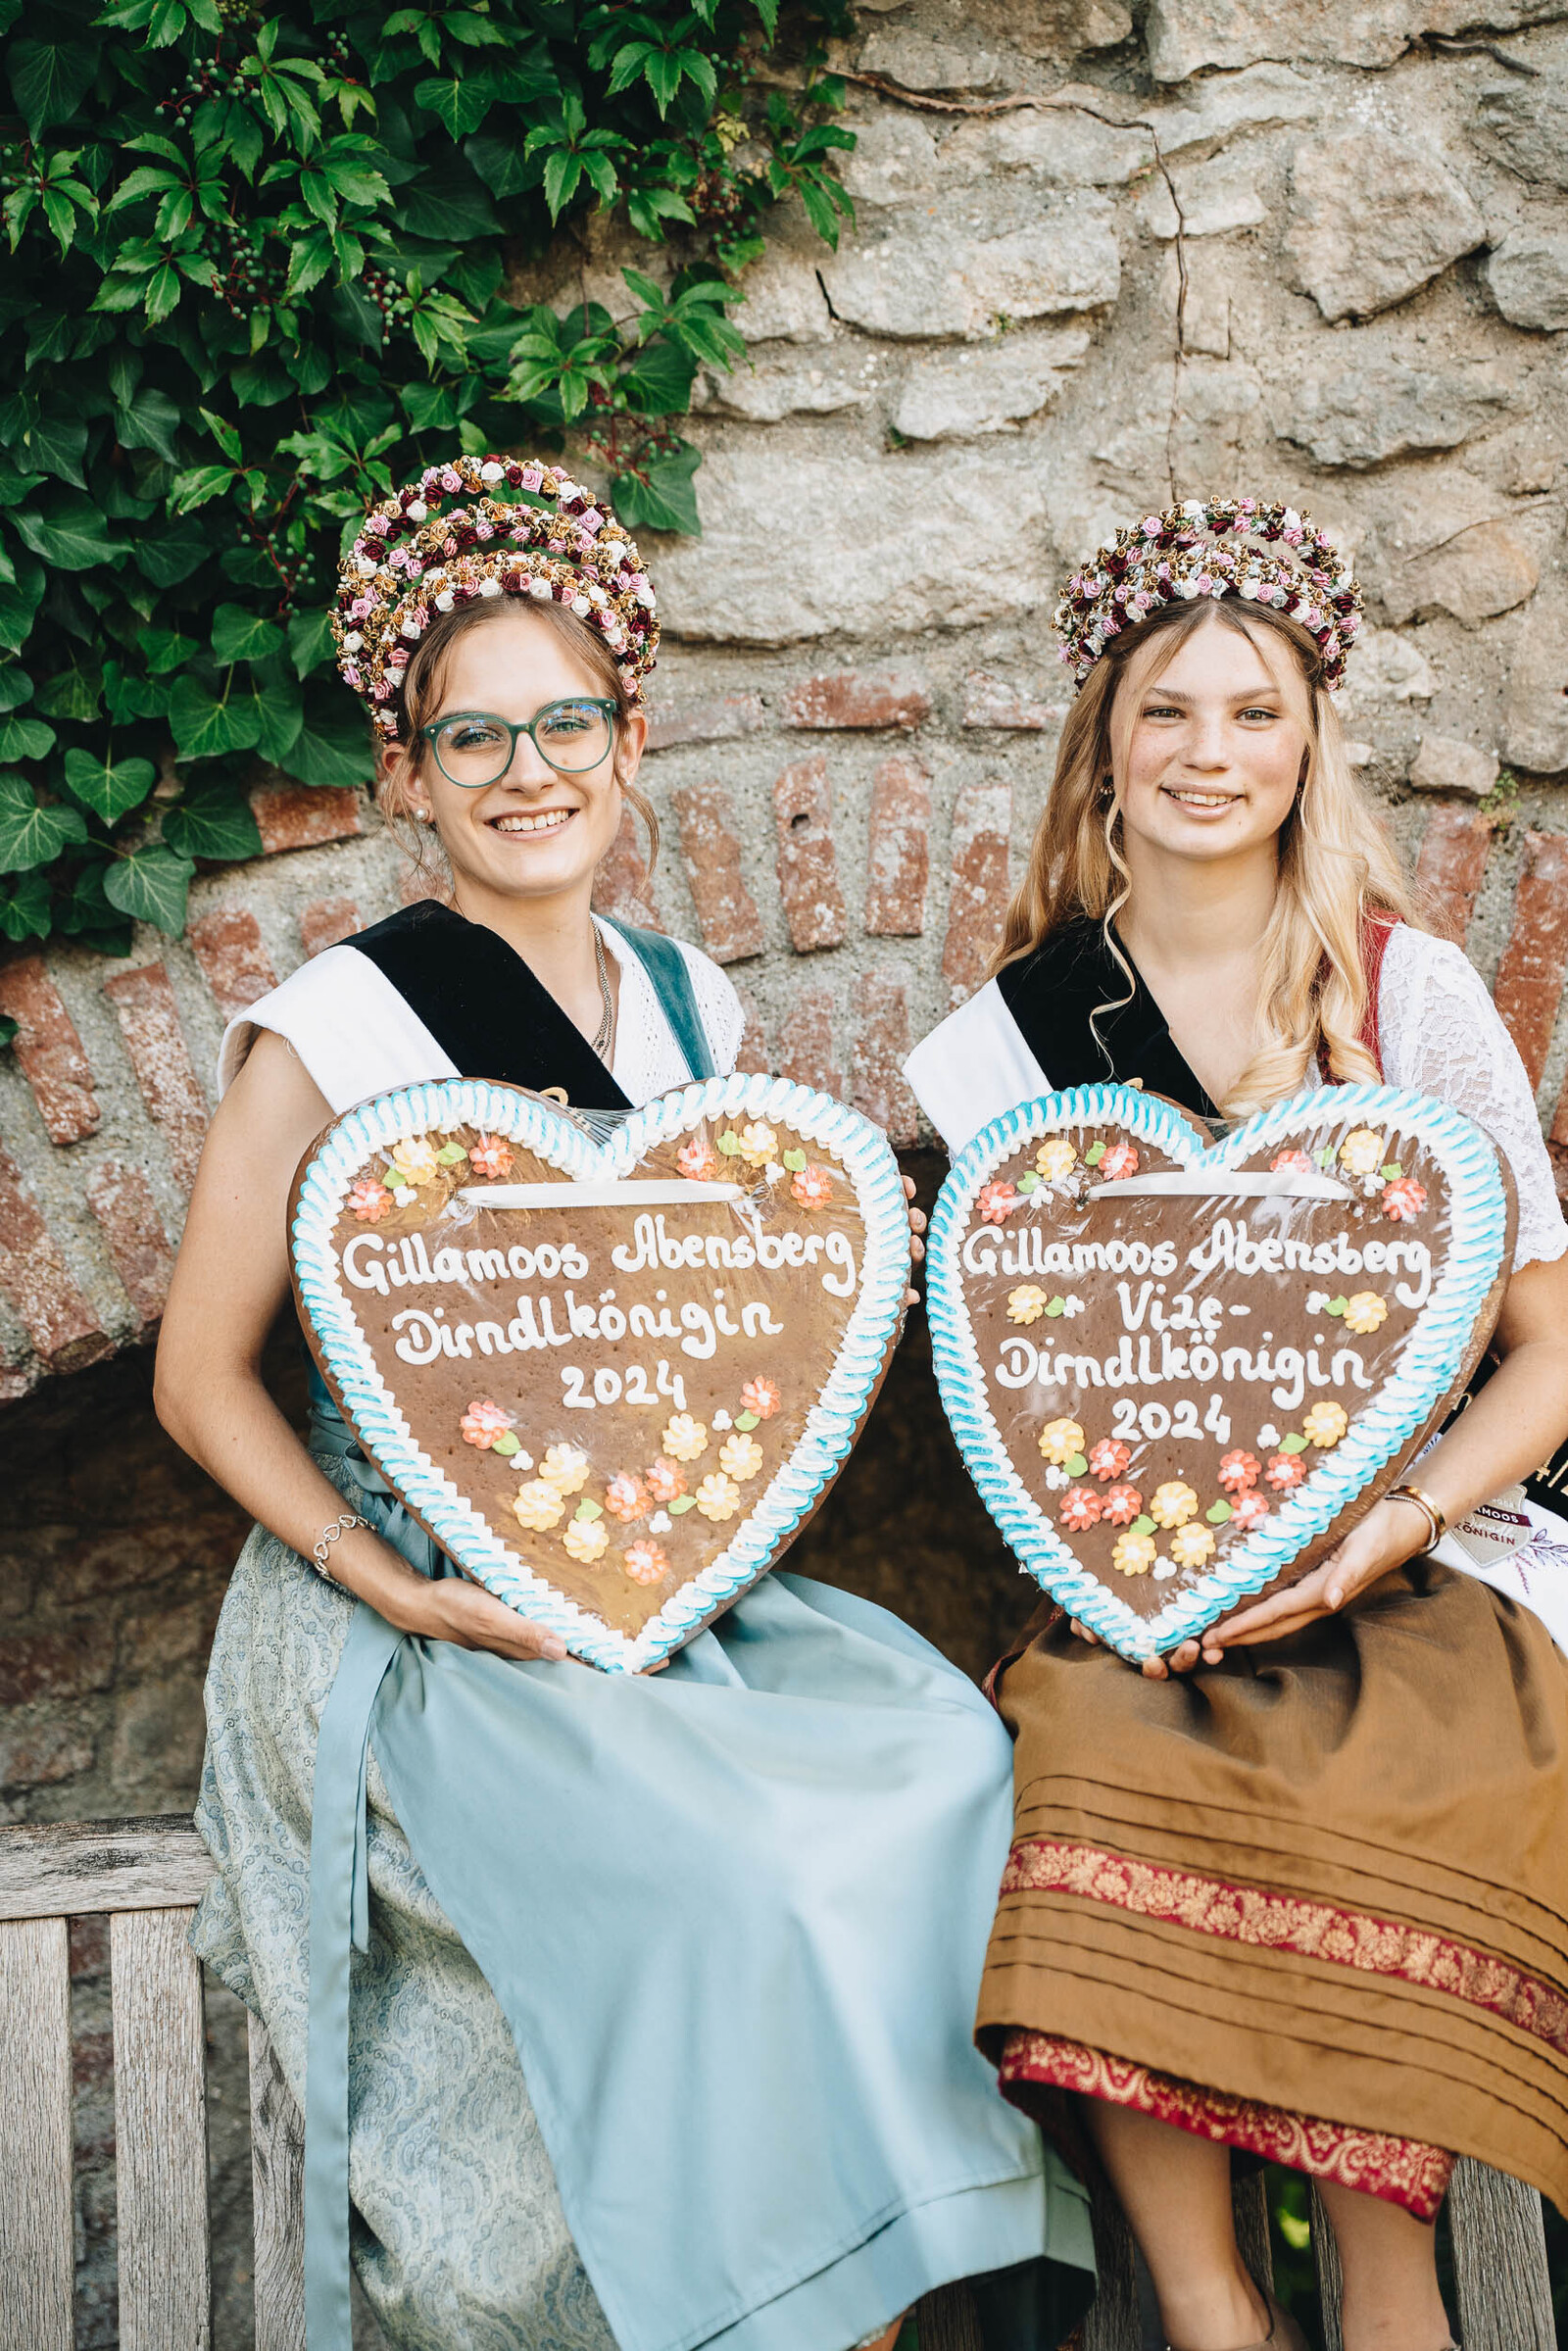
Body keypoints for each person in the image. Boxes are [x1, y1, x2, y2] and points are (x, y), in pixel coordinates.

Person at [157, 454, 1094, 2351]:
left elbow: (716, 1335)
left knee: (940, 1767)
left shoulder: (688, 1012)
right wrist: (388, 1581)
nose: (528, 772)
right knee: (738, 1878)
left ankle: (873, 2285)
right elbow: (194, 1376)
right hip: (420, 1601)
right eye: (472, 737)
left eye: (566, 722)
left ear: (632, 740)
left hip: (645, 1566)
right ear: (406, 776)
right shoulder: (338, 1028)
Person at [903, 497, 1568, 2351]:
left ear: (1308, 742)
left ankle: (1391, 2301)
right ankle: (1216, 2319)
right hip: (1147, 1568)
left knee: (1384, 1782)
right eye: (1170, 712)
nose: (1212, 754)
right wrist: (1132, 1564)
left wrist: (1394, 1524)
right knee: (1077, 1765)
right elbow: (1027, 1381)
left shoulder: (1404, 989)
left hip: (1420, 1552)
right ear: (1104, 743)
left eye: (1255, 712)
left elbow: (1553, 1350)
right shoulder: (1011, 1043)